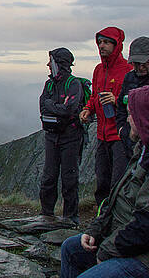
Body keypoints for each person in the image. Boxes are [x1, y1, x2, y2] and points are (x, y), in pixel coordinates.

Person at [60, 85, 149, 278]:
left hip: (141, 256)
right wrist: (96, 230)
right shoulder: (141, 150)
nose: (126, 118)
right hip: (122, 236)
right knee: (71, 249)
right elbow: (115, 199)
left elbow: (144, 227)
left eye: (131, 114)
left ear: (144, 119)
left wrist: (108, 249)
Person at [79, 27, 132, 206]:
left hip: (120, 135)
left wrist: (117, 100)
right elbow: (95, 96)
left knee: (118, 180)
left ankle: (117, 220)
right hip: (102, 135)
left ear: (117, 45)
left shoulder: (128, 70)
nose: (102, 46)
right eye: (100, 42)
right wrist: (88, 109)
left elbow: (138, 101)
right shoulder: (99, 70)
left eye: (107, 42)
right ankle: (101, 218)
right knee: (102, 180)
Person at [39, 48, 83, 225]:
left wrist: (52, 106)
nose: (48, 65)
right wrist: (57, 108)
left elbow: (70, 109)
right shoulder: (49, 84)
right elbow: (42, 106)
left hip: (70, 137)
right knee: (49, 176)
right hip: (52, 136)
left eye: (51, 62)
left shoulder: (73, 84)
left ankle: (70, 218)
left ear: (59, 64)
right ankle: (46, 214)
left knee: (69, 177)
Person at [116, 37, 149, 159]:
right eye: (136, 63)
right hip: (130, 140)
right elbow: (120, 106)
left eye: (144, 63)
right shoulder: (129, 78)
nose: (140, 67)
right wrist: (122, 130)